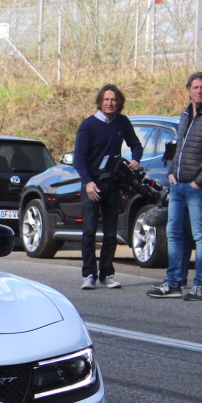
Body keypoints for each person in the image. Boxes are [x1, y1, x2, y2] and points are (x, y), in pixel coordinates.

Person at [149, 72, 202, 301]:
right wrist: (172, 172)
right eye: (195, 87)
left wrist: (199, 181)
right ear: (188, 90)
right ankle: (173, 282)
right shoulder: (185, 114)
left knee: (201, 236)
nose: (199, 91)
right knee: (173, 233)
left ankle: (199, 285)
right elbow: (180, 147)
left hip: (197, 188)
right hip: (178, 185)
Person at [73, 84, 141, 290]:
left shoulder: (122, 122)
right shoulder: (88, 126)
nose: (110, 103)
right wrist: (88, 182)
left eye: (113, 100)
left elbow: (135, 145)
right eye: (106, 100)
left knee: (110, 233)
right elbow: (79, 159)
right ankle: (89, 275)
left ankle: (107, 273)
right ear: (100, 102)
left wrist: (136, 159)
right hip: (92, 185)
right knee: (89, 232)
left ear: (119, 102)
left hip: (113, 184)